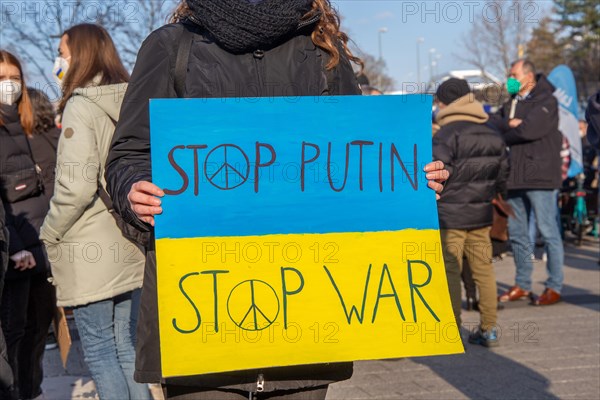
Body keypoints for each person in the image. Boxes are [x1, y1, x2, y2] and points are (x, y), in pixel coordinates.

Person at [105, 1, 449, 399]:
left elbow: (366, 157)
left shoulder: (323, 49)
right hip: (203, 326)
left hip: (306, 324)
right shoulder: (173, 47)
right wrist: (133, 187)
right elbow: (127, 154)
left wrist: (415, 179)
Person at [39, 24, 149, 400]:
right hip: (127, 241)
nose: (59, 61)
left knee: (101, 351)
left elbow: (75, 186)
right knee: (126, 348)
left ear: (80, 55)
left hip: (88, 249)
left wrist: (49, 232)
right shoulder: (133, 98)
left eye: (62, 53)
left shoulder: (82, 106)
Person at [433, 78, 509, 347]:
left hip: (449, 215)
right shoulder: (491, 132)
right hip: (481, 214)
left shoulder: (444, 134)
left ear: (445, 102)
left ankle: (452, 330)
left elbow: (440, 172)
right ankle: (488, 329)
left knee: (451, 269)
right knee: (484, 270)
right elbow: (502, 177)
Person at [0, 50, 56, 400]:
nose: (9, 85)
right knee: (14, 334)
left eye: (14, 77)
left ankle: (31, 393)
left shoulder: (30, 125)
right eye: (1, 78)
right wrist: (18, 246)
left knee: (38, 333)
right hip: (16, 253)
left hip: (43, 248)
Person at [490, 60, 564, 306]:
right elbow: (492, 123)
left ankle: (554, 286)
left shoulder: (547, 101)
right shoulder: (511, 102)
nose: (510, 79)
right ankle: (522, 283)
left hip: (540, 177)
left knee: (548, 231)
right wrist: (509, 125)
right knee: (519, 235)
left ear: (529, 76)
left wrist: (510, 129)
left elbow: (529, 131)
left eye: (514, 75)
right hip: (515, 177)